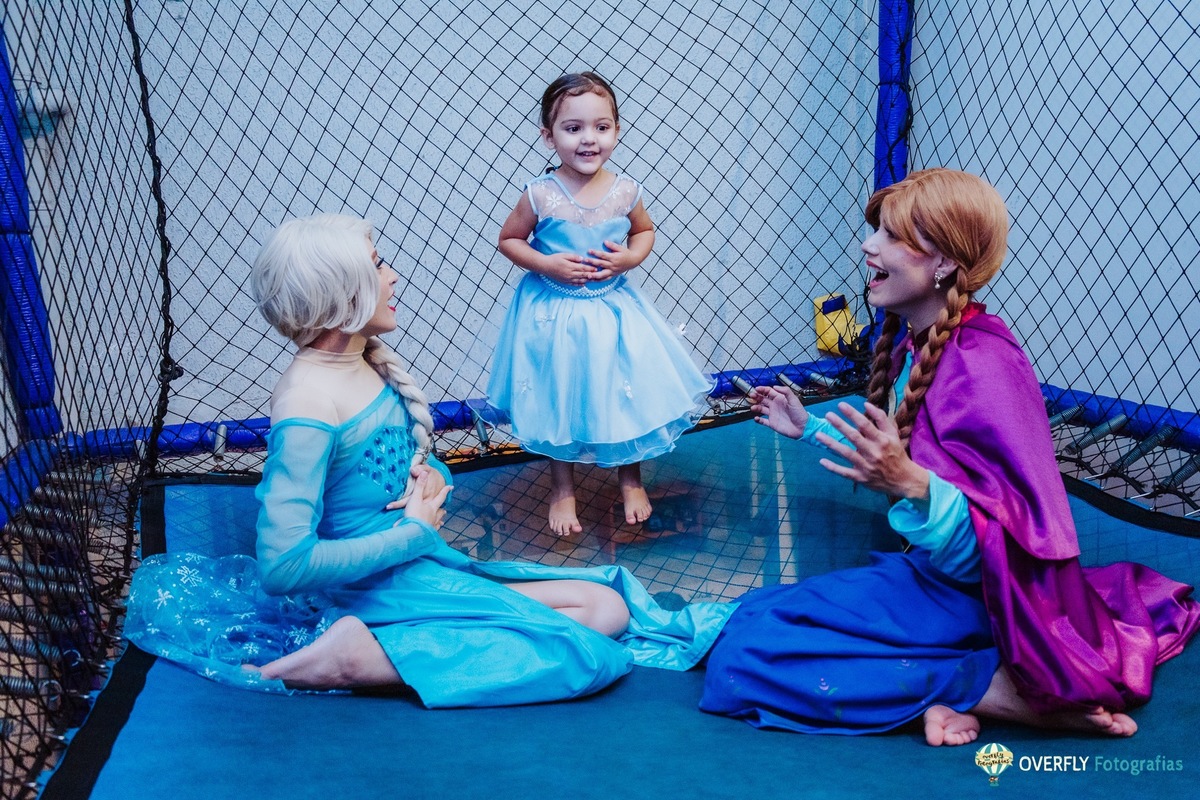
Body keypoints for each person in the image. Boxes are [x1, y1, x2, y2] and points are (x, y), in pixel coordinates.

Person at [123, 213, 732, 708]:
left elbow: (385, 469)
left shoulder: (360, 363)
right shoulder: (309, 400)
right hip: (375, 587)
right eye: (379, 266)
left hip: (417, 569)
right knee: (588, 656)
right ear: (344, 291)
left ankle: (390, 649)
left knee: (604, 605)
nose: (394, 278)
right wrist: (412, 532)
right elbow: (283, 566)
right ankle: (360, 659)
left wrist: (429, 480)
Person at [700, 169, 1200, 745]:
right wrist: (810, 430)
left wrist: (911, 484)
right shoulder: (930, 344)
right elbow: (917, 469)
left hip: (989, 602)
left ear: (942, 264)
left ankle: (987, 689)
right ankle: (966, 687)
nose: (869, 246)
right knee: (759, 617)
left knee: (749, 655)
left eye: (890, 237)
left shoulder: (981, 366)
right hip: (940, 584)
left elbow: (1003, 549)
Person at [487, 71, 713, 536]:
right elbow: (509, 240)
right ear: (548, 136)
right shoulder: (541, 193)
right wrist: (547, 265)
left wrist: (629, 257)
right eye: (573, 129)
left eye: (601, 127)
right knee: (559, 397)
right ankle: (562, 486)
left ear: (616, 129)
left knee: (622, 394)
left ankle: (630, 477)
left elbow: (644, 231)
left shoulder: (626, 190)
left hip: (612, 308)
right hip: (556, 312)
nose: (589, 139)